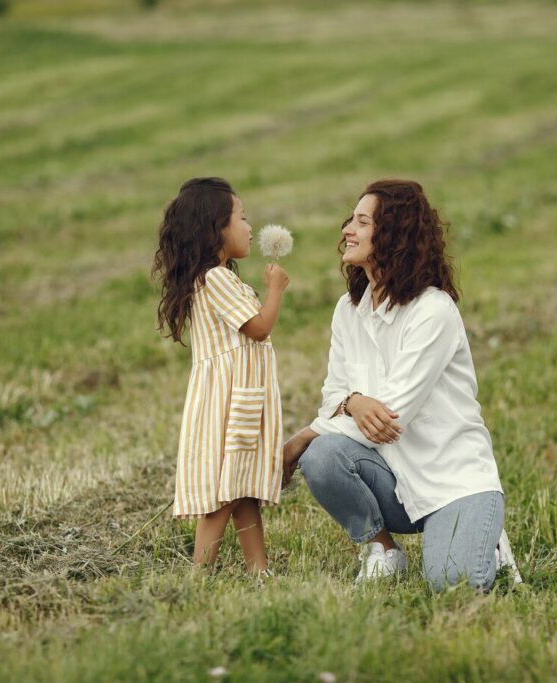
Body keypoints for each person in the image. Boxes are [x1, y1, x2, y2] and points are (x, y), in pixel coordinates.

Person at [282, 179, 521, 591]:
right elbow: (333, 397)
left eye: (361, 222)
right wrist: (353, 402)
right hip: (393, 480)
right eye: (349, 220)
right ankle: (383, 551)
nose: (346, 230)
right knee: (323, 457)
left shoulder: (433, 311)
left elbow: (391, 415)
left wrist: (300, 438)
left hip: (453, 482)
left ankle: (490, 545)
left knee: (452, 586)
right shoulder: (348, 310)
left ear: (392, 233)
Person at [153, 177, 289, 574]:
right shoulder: (215, 278)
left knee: (241, 487)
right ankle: (200, 572)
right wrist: (276, 290)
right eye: (242, 218)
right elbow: (259, 327)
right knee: (222, 494)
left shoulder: (219, 278)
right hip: (229, 403)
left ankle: (258, 570)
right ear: (216, 228)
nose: (250, 227)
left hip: (236, 398)